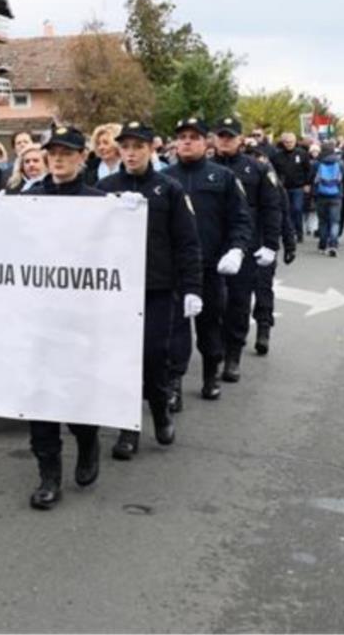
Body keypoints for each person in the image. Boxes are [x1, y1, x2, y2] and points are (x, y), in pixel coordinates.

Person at [98, 120, 203, 462]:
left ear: (150, 149)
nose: (130, 153)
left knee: (154, 355)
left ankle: (160, 409)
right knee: (123, 359)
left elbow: (187, 241)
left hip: (157, 286)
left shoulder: (168, 188)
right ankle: (129, 428)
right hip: (117, 288)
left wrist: (192, 288)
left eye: (137, 147)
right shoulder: (104, 186)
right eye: (125, 147)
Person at [23, 125, 103, 509]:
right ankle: (48, 474)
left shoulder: (99, 202)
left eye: (67, 153)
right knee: (40, 396)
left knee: (74, 392)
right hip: (38, 313)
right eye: (52, 152)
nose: (57, 158)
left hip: (80, 316)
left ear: (81, 157)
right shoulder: (29, 198)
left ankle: (88, 441)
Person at [164, 116, 251, 404]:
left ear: (206, 142)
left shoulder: (223, 177)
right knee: (174, 328)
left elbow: (240, 219)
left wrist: (236, 249)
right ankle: (174, 382)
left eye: (194, 136)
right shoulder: (165, 178)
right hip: (174, 267)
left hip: (210, 266)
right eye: (182, 136)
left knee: (209, 325)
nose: (186, 141)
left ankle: (211, 373)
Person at [211, 116, 281, 383]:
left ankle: (233, 355)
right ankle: (214, 354)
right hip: (213, 245)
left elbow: (271, 208)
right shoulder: (206, 167)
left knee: (238, 302)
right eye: (221, 135)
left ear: (240, 139)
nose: (225, 140)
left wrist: (271, 245)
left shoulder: (256, 168)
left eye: (230, 136)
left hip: (246, 245)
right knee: (214, 303)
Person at [252, 167, 297, 356]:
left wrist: (289, 243)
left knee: (263, 288)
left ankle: (263, 329)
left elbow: (283, 216)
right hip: (239, 243)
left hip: (264, 243)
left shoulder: (274, 187)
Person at [271, 132, 310, 242]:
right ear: (283, 143)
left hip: (298, 187)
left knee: (297, 209)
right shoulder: (277, 156)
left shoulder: (302, 154)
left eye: (291, 142)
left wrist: (307, 183)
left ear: (295, 142)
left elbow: (308, 170)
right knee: (285, 210)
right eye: (286, 142)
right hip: (283, 187)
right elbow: (273, 171)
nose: (289, 144)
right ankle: (289, 232)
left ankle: (299, 232)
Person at [312, 146, 344, 256]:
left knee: (323, 221)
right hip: (336, 195)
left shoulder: (317, 163)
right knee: (335, 222)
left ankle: (322, 245)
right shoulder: (340, 163)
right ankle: (333, 245)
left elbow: (311, 178)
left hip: (321, 195)